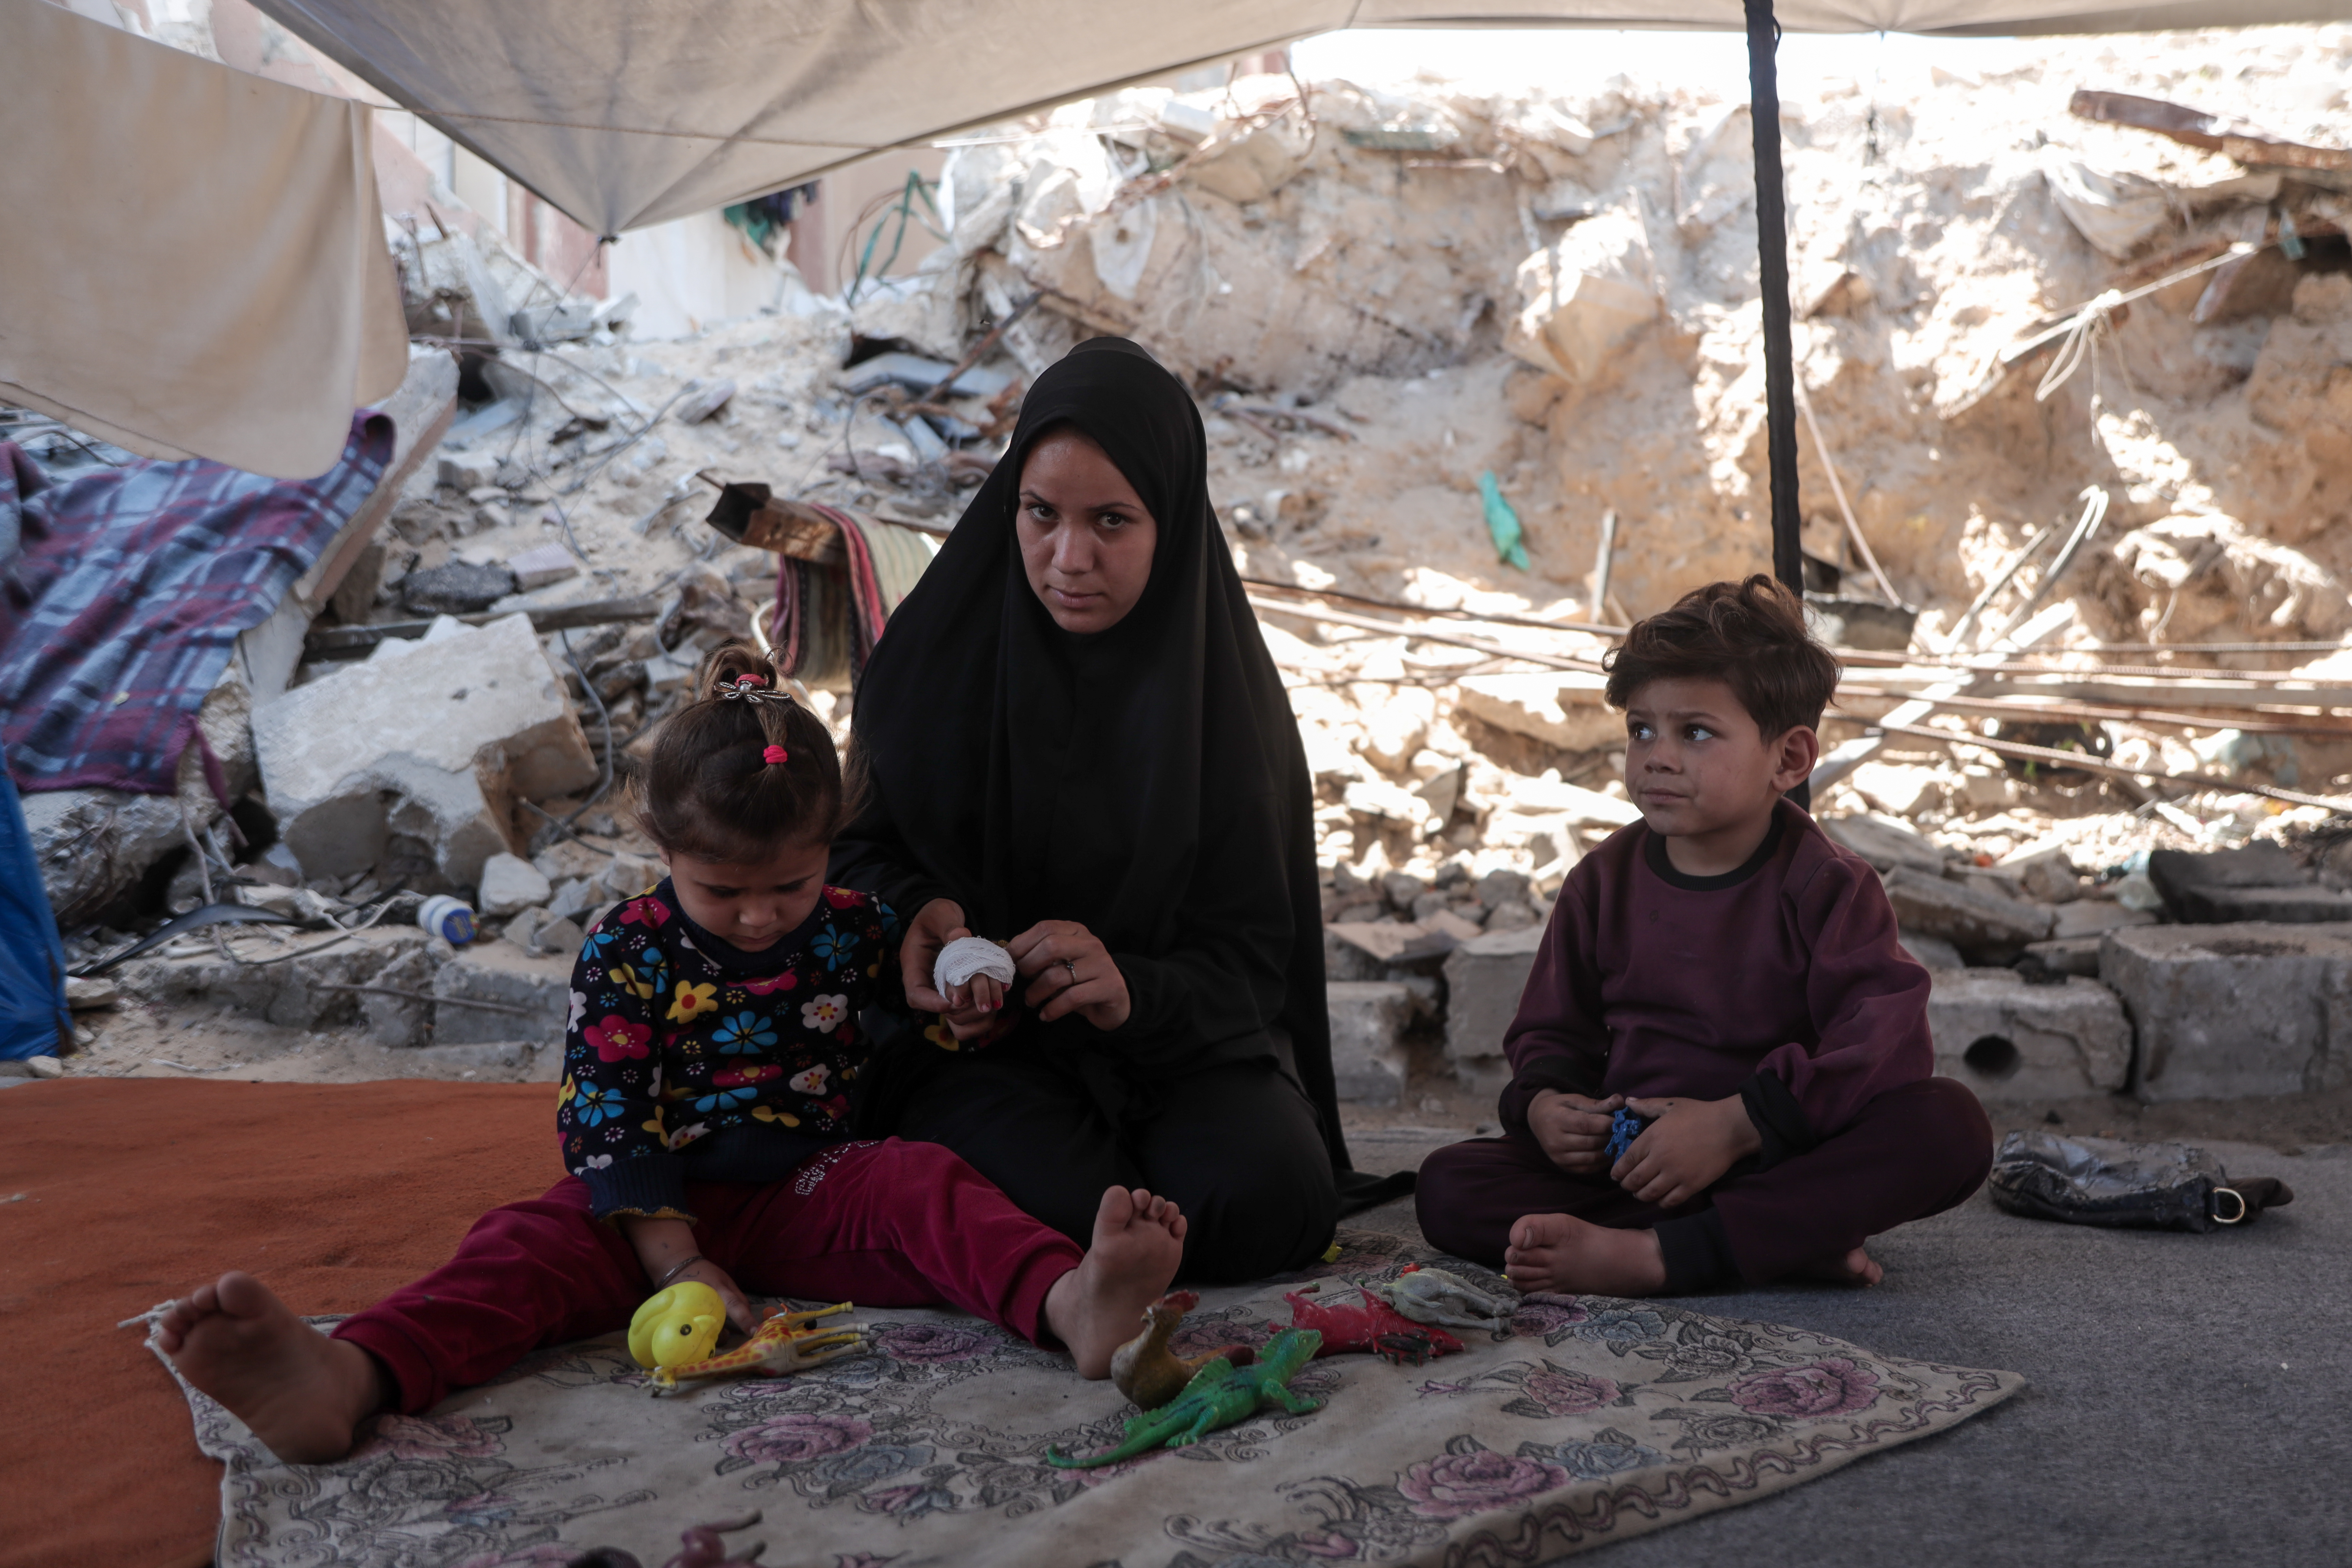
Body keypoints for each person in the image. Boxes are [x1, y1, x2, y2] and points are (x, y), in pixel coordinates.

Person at [153, 644, 1189, 1464]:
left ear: (832, 844)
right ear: (662, 853)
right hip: (650, 1205)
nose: (756, 917)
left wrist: (967, 1011)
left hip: (809, 1187)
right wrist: (676, 1258)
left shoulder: (857, 929)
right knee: (516, 1247)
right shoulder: (628, 948)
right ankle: (350, 1377)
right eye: (721, 890)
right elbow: (606, 1113)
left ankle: (1075, 1304)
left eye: (787, 887)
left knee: (924, 1180)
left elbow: (910, 1029)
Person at [832, 336, 1406, 1284]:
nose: (1068, 558)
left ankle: (1104, 1244)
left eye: (1111, 521)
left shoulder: (1224, 711)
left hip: (1172, 1050)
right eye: (1040, 514)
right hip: (977, 1054)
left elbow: (1253, 959)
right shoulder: (931, 666)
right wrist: (921, 924)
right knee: (1057, 1198)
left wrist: (1131, 989)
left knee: (1265, 1198)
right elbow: (852, 858)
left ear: (1170, 521)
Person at [1414, 576, 1991, 1295]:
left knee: (1949, 1127)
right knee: (1446, 1186)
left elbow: (1885, 1044)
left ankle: (1658, 1258)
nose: (1657, 755)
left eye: (1694, 731)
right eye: (1640, 729)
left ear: (1788, 759)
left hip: (1773, 1152)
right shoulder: (1600, 881)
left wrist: (1735, 1125)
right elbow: (1549, 1033)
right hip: (1633, 1163)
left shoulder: (1828, 886)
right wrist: (1545, 1106)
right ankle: (1774, 1242)